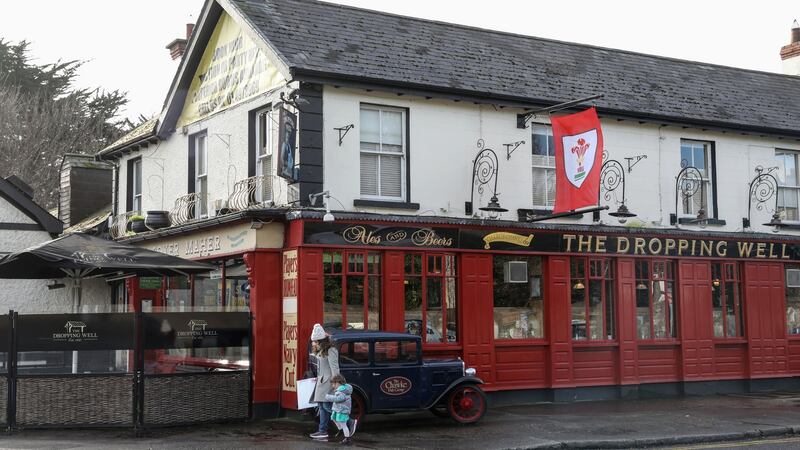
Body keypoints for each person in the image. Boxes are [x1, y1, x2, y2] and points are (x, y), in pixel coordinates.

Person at [309, 323, 340, 440]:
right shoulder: (322, 350)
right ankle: (322, 430)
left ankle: (349, 423)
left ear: (321, 340)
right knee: (322, 406)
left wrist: (336, 385)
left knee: (327, 406)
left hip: (328, 383)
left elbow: (335, 369)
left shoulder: (331, 350)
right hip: (322, 382)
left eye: (315, 341)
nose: (314, 343)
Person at [326, 374, 358, 445]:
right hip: (338, 409)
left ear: (338, 382)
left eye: (333, 384)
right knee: (334, 418)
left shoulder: (342, 391)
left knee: (343, 424)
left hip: (342, 410)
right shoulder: (341, 389)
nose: (332, 386)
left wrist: (329, 397)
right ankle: (341, 430)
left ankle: (347, 438)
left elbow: (339, 399)